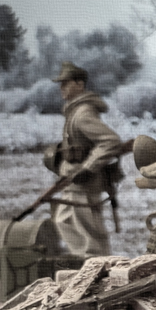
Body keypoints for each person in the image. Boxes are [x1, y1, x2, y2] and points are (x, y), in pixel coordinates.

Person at [50, 61, 123, 257]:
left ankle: (97, 265)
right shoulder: (74, 111)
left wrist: (88, 168)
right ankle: (86, 263)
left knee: (90, 236)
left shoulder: (82, 114)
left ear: (80, 84)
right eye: (61, 83)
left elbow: (111, 141)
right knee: (63, 221)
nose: (61, 87)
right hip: (73, 181)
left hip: (84, 183)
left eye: (66, 83)